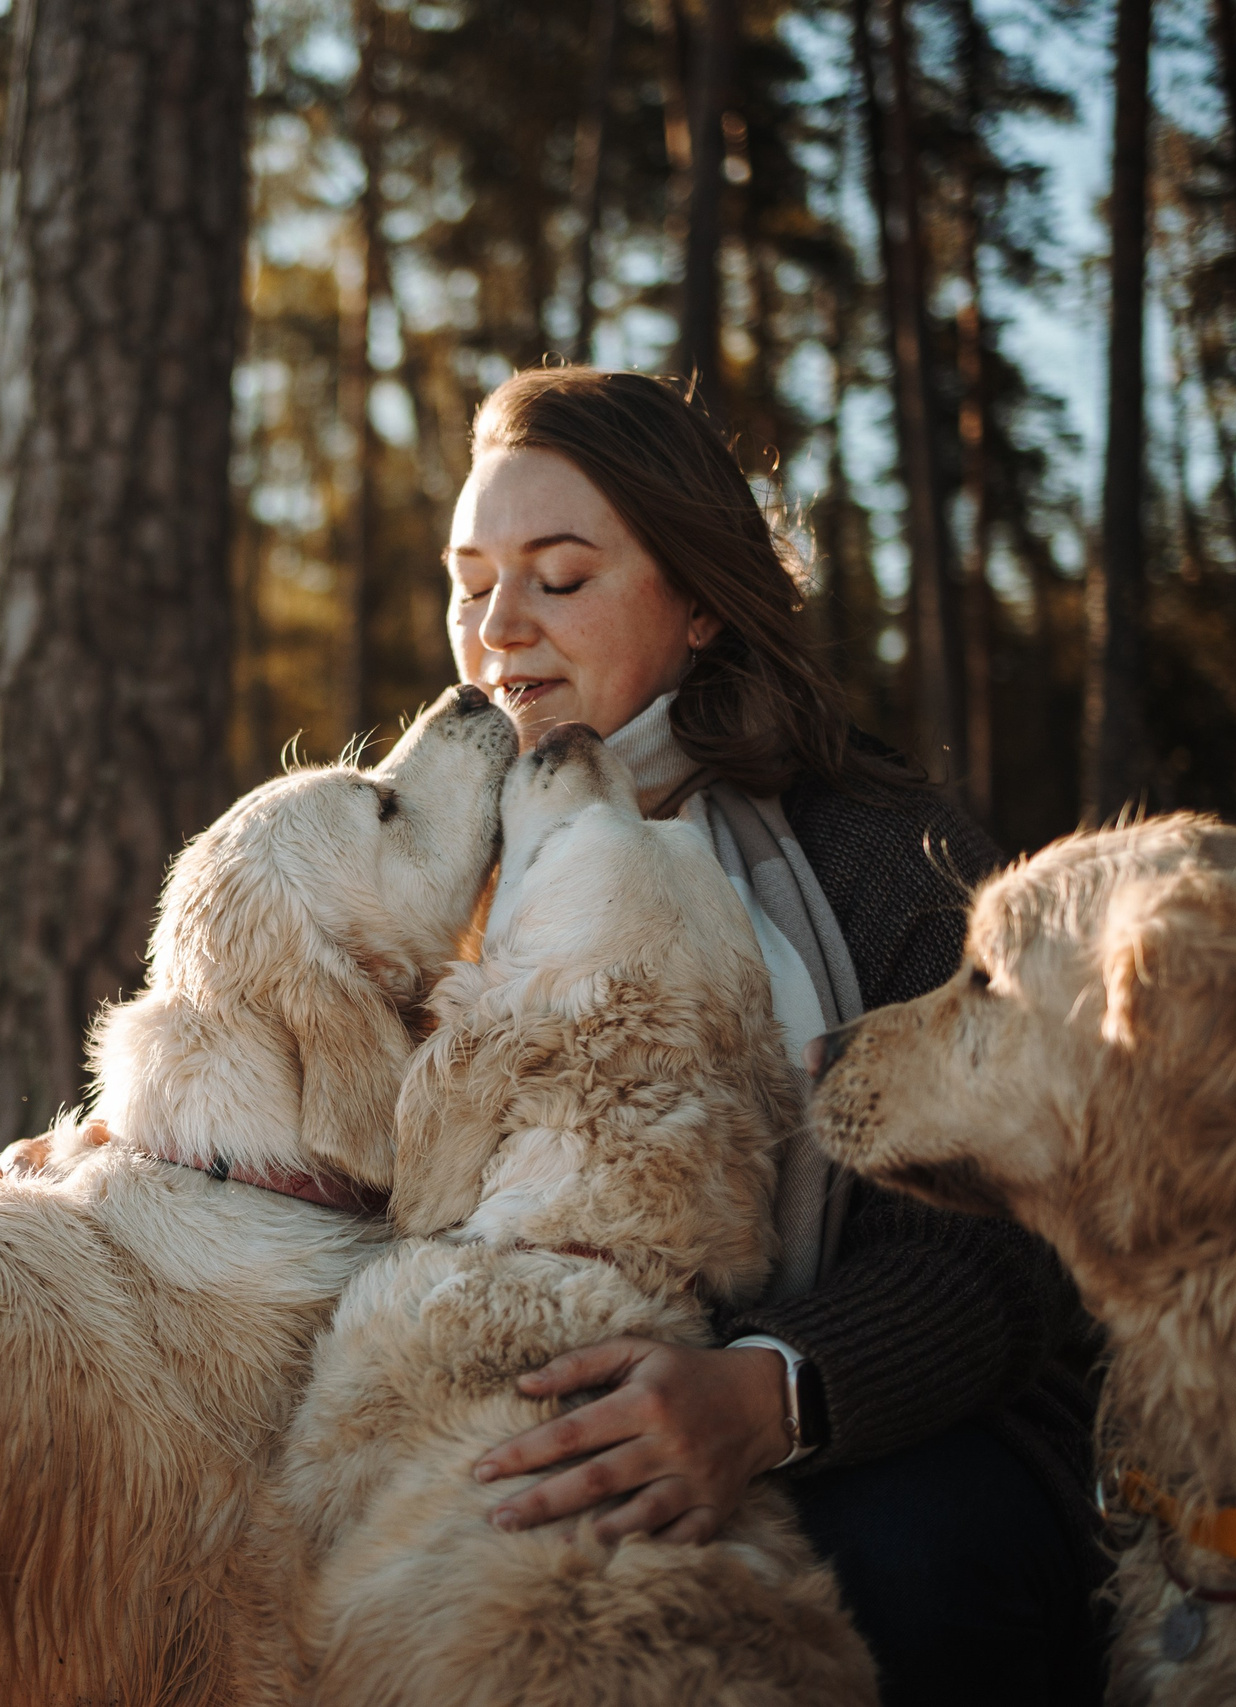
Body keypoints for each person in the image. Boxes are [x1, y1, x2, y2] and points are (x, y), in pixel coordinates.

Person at [441, 368, 1105, 1706]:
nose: (498, 626)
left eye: (560, 578)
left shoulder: (886, 864)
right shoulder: (429, 857)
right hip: (514, 1425)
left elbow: (1013, 1254)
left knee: (900, 1567)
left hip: (887, 1449)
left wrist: (767, 1395)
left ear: (697, 605)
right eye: (469, 581)